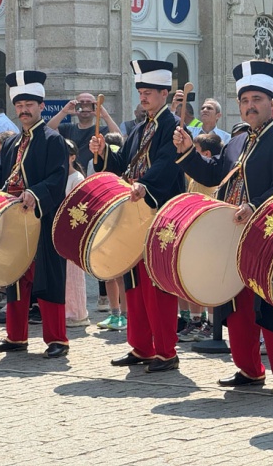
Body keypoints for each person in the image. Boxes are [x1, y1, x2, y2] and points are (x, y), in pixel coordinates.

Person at [173, 59, 273, 395]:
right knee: (235, 306)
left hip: (268, 235)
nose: (250, 107)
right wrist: (189, 153)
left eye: (256, 100)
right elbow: (216, 172)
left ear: (271, 102)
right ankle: (249, 369)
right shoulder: (238, 140)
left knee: (271, 307)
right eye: (244, 101)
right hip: (233, 234)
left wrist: (254, 204)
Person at [0, 70, 69, 358]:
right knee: (15, 279)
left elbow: (58, 178)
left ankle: (57, 339)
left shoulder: (53, 139)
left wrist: (36, 193)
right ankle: (16, 337)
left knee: (48, 279)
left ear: (41, 105)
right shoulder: (10, 143)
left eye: (29, 105)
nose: (23, 110)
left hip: (40, 221)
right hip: (12, 222)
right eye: (19, 106)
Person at [90, 60, 186, 373]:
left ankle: (166, 351)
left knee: (157, 284)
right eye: (141, 92)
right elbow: (124, 165)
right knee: (133, 281)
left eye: (148, 92)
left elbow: (166, 164)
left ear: (164, 93)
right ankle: (142, 346)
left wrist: (146, 185)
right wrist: (104, 151)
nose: (143, 97)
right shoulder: (142, 127)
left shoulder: (172, 126)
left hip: (157, 212)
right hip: (134, 211)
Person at [48, 92, 121, 170]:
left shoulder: (101, 130)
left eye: (89, 104)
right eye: (81, 103)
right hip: (72, 173)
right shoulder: (67, 128)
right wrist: (64, 112)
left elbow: (118, 137)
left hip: (94, 173)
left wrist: (105, 116)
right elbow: (47, 130)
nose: (85, 107)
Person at [63, 139, 89, 328]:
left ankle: (78, 313)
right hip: (59, 229)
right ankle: (65, 310)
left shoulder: (77, 178)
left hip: (71, 228)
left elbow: (80, 207)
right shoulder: (59, 176)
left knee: (73, 273)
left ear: (72, 157)